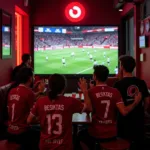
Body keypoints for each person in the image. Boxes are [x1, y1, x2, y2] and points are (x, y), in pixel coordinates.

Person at [78, 65, 142, 150]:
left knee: (79, 134)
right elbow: (124, 111)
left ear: (95, 76)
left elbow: (87, 111)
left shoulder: (90, 92)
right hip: (112, 133)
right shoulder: (115, 92)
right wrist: (136, 102)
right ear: (107, 77)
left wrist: (85, 91)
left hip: (96, 133)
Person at [27, 74, 92, 150]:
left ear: (49, 86)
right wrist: (85, 90)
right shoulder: (70, 102)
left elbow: (29, 120)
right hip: (64, 146)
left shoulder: (40, 101)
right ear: (64, 87)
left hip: (45, 146)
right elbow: (89, 108)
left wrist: (41, 119)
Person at [114, 55, 150, 150]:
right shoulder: (141, 82)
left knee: (123, 145)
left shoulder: (118, 84)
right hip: (139, 120)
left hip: (124, 122)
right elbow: (147, 102)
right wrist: (142, 111)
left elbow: (116, 106)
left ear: (122, 67)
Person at [7, 67, 39, 150]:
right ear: (29, 78)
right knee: (44, 132)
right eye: (33, 76)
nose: (34, 78)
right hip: (22, 133)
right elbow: (33, 118)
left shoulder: (12, 91)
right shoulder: (29, 93)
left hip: (9, 132)